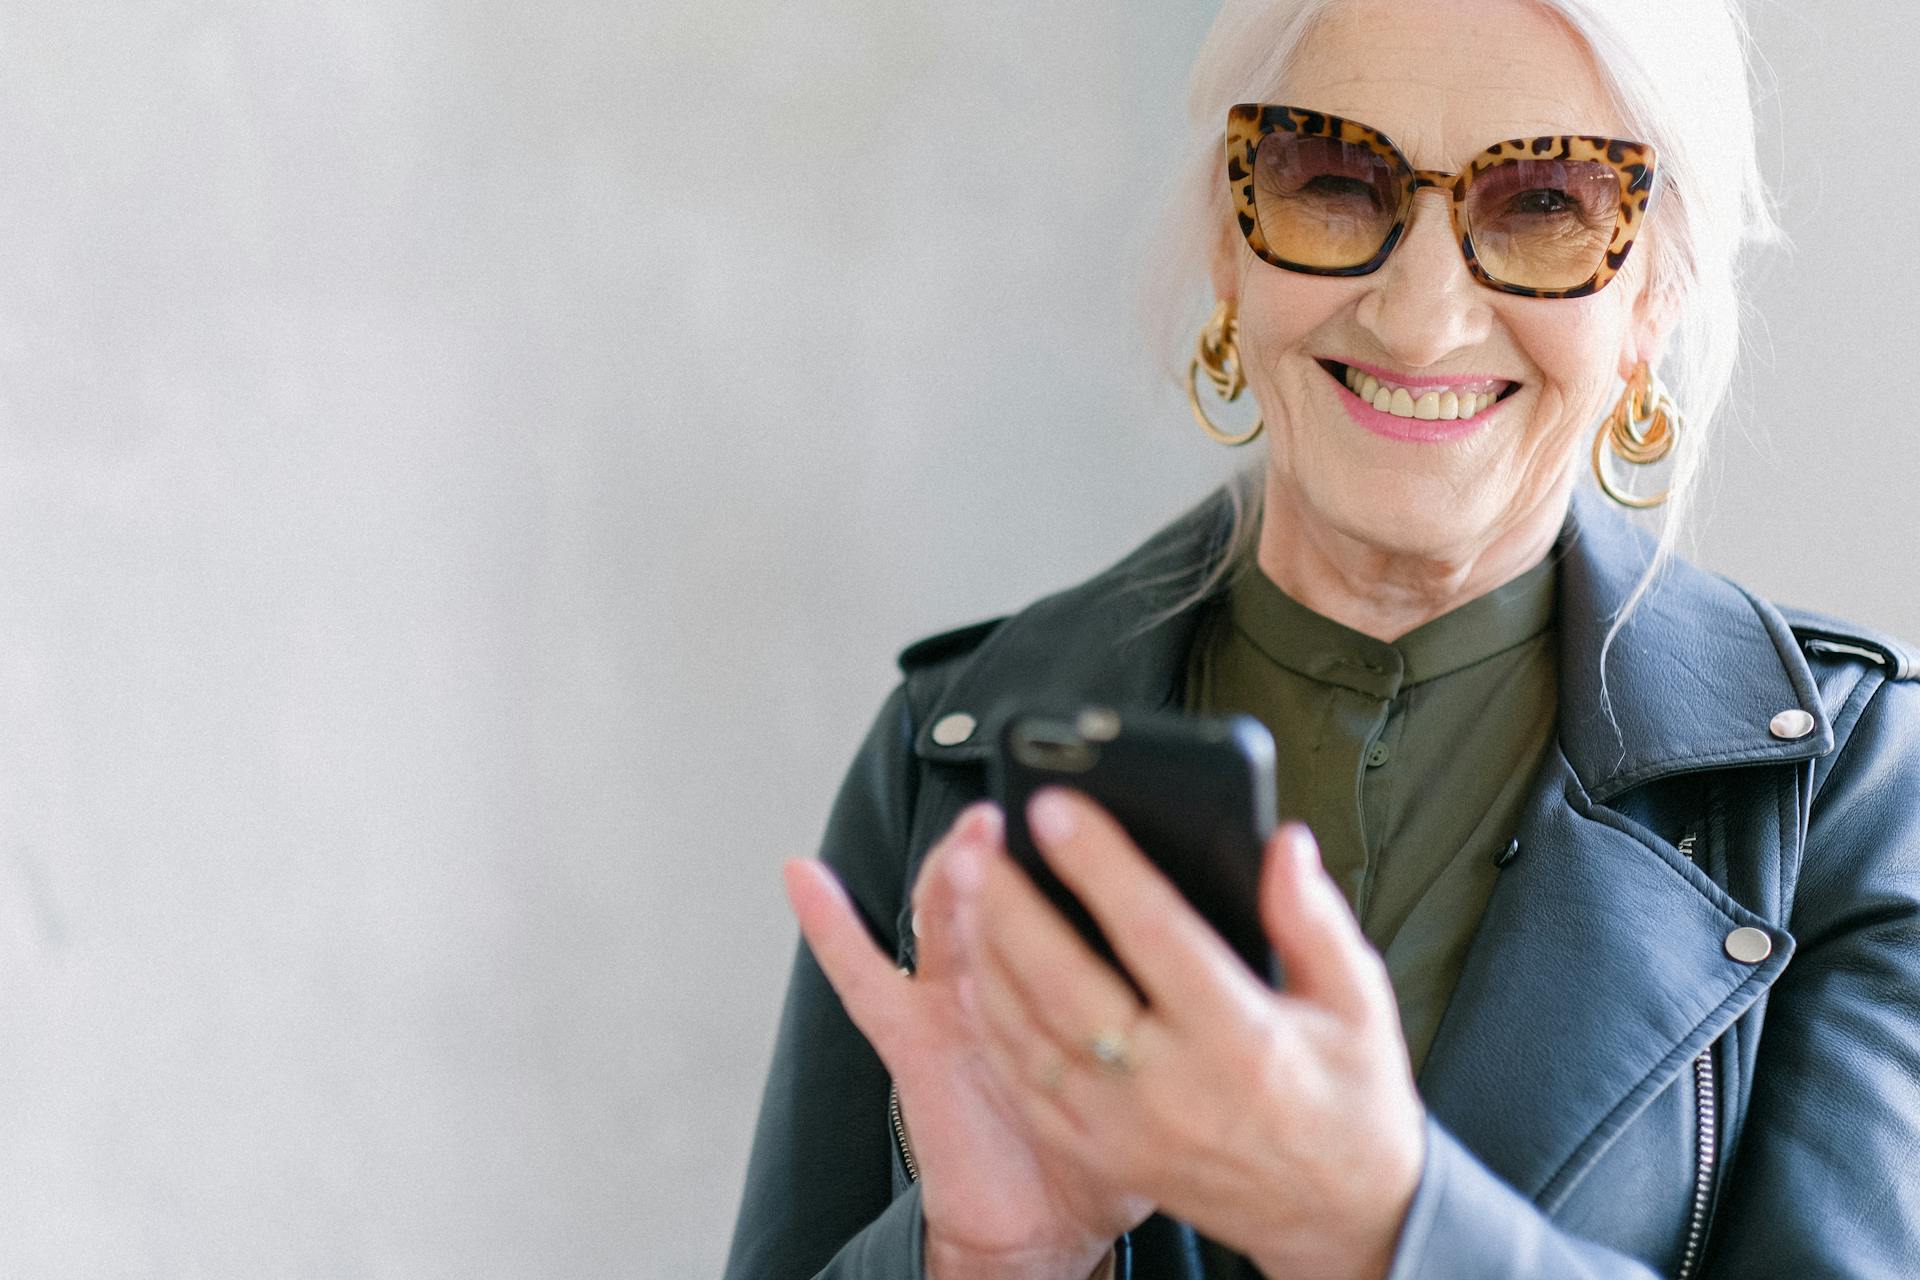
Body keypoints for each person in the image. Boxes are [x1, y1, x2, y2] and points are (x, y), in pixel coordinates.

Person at [724, 0, 1920, 1275]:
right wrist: (977, 1251)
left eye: (1547, 204)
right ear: (1231, 246)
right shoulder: (949, 749)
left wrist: (1382, 1221)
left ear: (1653, 294)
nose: (1419, 318)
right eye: (1332, 179)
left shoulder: (1850, 788)